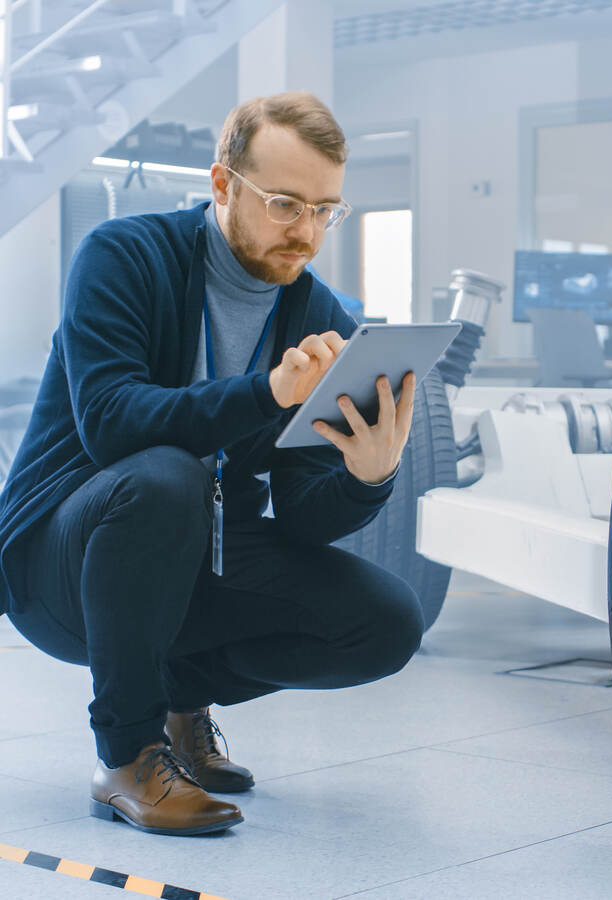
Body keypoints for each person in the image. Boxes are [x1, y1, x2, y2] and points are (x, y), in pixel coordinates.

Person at [0, 92, 424, 836]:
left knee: (385, 623)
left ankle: (174, 696)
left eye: (327, 210)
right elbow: (110, 424)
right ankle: (127, 756)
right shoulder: (122, 255)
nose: (308, 232)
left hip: (196, 555)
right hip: (58, 563)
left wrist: (367, 479)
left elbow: (298, 512)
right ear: (223, 185)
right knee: (167, 475)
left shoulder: (322, 318)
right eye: (286, 204)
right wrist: (267, 393)